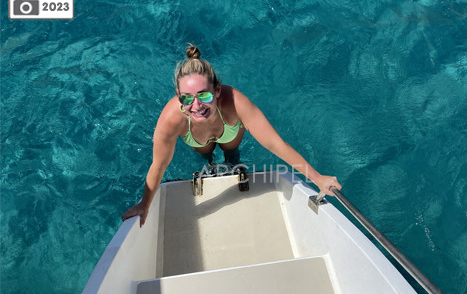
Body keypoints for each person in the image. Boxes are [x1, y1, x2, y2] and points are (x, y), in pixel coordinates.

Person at [122, 44, 341, 226]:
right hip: (196, 137)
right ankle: (211, 163)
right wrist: (145, 204)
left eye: (204, 95)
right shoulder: (171, 120)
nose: (196, 105)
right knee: (206, 154)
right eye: (186, 98)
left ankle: (231, 161)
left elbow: (275, 144)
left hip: (229, 130)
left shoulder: (236, 104)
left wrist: (316, 178)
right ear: (178, 96)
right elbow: (158, 165)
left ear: (217, 90)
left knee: (231, 151)